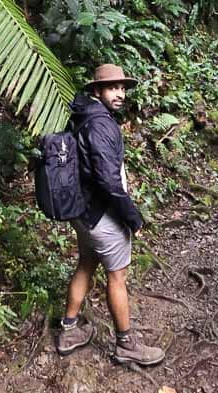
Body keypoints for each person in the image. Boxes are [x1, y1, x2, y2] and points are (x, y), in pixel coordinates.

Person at [55, 63, 165, 367]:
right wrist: (133, 218)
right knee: (117, 277)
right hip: (102, 215)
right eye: (112, 88)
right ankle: (126, 344)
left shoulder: (81, 116)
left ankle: (68, 331)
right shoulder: (102, 125)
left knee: (86, 264)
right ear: (97, 91)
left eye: (122, 88)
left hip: (82, 211)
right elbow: (108, 181)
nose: (120, 94)